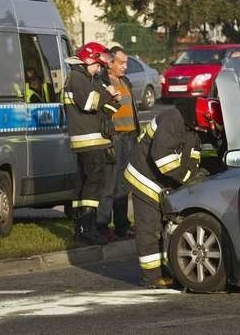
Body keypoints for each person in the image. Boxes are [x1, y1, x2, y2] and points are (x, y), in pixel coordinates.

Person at [124, 98, 207, 288]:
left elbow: (191, 156)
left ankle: (165, 271)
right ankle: (151, 278)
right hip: (144, 177)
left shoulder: (191, 128)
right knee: (149, 228)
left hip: (161, 180)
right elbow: (162, 159)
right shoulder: (172, 119)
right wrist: (187, 178)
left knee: (163, 228)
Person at [63, 41, 121, 245]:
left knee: (86, 183)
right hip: (89, 141)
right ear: (88, 60)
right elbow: (90, 103)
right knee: (94, 184)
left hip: (93, 140)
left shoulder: (87, 78)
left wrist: (113, 100)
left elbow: (106, 109)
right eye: (97, 65)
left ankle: (81, 229)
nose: (98, 69)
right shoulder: (78, 79)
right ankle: (87, 229)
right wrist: (108, 94)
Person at [96, 46, 138, 240]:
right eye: (121, 63)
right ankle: (102, 225)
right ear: (110, 63)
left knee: (123, 185)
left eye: (126, 63)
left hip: (129, 137)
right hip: (113, 138)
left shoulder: (125, 81)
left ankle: (122, 225)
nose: (125, 67)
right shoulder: (101, 81)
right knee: (109, 183)